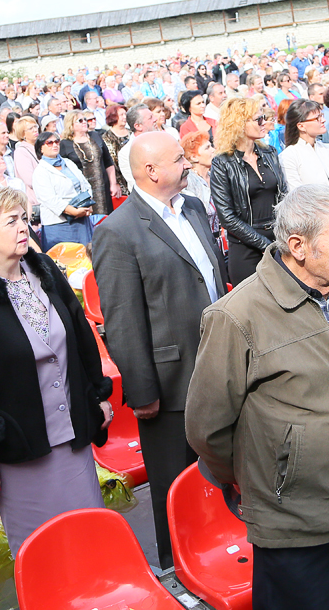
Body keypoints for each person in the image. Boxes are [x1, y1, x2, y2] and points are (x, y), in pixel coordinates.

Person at [187, 185, 329, 610]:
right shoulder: (237, 316)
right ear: (298, 246)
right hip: (293, 521)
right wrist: (264, 480)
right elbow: (206, 428)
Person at [0, 185, 112, 550]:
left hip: (73, 439)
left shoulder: (44, 269)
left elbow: (81, 335)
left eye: (24, 218)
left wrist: (99, 394)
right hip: (21, 451)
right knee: (45, 551)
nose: (23, 227)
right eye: (11, 221)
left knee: (90, 539)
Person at [91, 131, 226, 568]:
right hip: (170, 387)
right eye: (178, 159)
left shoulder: (194, 207)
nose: (188, 164)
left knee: (225, 477)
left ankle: (227, 558)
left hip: (220, 368)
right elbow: (123, 320)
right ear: (150, 171)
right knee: (176, 489)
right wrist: (143, 391)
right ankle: (181, 572)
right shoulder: (118, 231)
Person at [210, 98, 286, 286]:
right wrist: (264, 244)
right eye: (258, 119)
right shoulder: (222, 162)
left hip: (279, 239)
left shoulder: (270, 153)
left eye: (264, 118)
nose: (264, 123)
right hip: (245, 249)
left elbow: (284, 195)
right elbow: (227, 217)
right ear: (239, 124)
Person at [59, 110, 117, 218]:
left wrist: (113, 183)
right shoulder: (65, 144)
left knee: (107, 218)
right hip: (81, 191)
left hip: (102, 187)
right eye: (80, 120)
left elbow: (108, 161)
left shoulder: (95, 136)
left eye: (85, 119)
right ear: (71, 125)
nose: (84, 122)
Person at [279, 99, 329, 192]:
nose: (323, 120)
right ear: (301, 126)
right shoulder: (289, 156)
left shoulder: (328, 149)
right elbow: (296, 194)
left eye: (322, 116)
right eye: (317, 118)